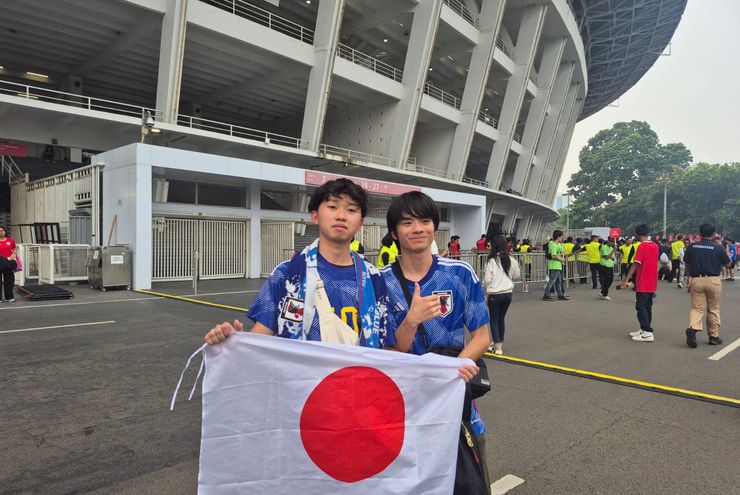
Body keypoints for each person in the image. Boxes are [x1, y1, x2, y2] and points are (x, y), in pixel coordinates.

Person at [379, 191, 491, 488]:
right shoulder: (381, 282)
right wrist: (412, 320)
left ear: (434, 226)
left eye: (425, 220)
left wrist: (455, 368)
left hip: (454, 404)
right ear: (394, 232)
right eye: (407, 223)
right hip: (404, 407)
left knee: (467, 483)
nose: (417, 228)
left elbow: (482, 335)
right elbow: (392, 349)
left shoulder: (460, 274)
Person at [204, 178, 396, 349]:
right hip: (305, 387)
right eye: (332, 207)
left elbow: (384, 344)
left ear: (360, 222)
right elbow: (263, 333)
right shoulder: (288, 275)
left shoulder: (374, 278)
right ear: (314, 216)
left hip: (359, 384)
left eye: (351, 210)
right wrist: (234, 340)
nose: (341, 215)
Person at [683, 223, 732, 348]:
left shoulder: (692, 246)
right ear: (713, 234)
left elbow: (687, 263)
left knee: (697, 308)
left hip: (696, 279)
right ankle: (713, 336)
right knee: (713, 309)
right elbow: (728, 264)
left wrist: (690, 277)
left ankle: (693, 328)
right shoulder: (718, 247)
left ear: (699, 233)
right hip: (713, 280)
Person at [618, 224, 659, 342]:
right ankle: (644, 329)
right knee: (647, 306)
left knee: (640, 307)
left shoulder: (642, 247)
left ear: (637, 234)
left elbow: (636, 264)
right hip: (652, 281)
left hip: (643, 280)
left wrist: (626, 279)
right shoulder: (655, 246)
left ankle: (647, 332)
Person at [483, 236, 520, 355]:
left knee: (494, 320)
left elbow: (487, 279)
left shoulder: (492, 260)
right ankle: (498, 342)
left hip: (495, 294)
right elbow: (516, 276)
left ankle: (498, 347)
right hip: (508, 293)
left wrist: (486, 289)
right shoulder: (512, 259)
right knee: (501, 319)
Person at [543, 230, 569, 301]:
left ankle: (560, 295)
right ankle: (546, 295)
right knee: (552, 281)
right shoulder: (554, 245)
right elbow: (553, 256)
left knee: (558, 281)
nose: (562, 238)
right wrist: (561, 260)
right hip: (555, 265)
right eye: (561, 236)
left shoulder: (555, 244)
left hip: (557, 265)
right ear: (558, 237)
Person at [0, 225, 17, 303]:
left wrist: (12, 256)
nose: (1, 232)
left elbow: (14, 249)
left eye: (2, 230)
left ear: (5, 231)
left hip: (8, 263)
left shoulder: (10, 240)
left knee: (9, 281)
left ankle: (9, 297)